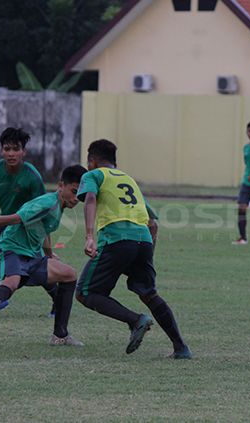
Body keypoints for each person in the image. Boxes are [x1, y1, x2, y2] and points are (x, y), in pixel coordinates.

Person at [76, 139, 192, 359]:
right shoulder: (129, 180)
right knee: (148, 293)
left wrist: (89, 236)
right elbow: (153, 222)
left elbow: (90, 198)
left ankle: (135, 320)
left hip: (117, 239)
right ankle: (181, 347)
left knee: (85, 292)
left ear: (91, 161)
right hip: (144, 240)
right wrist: (146, 254)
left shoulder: (92, 175)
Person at [0, 165, 88, 346]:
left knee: (69, 274)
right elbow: (14, 218)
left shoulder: (57, 207)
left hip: (31, 256)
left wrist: (49, 254)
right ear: (61, 186)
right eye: (74, 191)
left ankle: (60, 336)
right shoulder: (46, 203)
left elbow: (43, 230)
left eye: (80, 194)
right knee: (11, 282)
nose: (77, 198)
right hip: (9, 250)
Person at [0, 127, 56, 314]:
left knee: (37, 264)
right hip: (3, 221)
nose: (11, 153)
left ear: (23, 151)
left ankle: (57, 299)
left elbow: (43, 210)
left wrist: (47, 244)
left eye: (15, 149)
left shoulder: (32, 176)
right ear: (1, 150)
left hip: (27, 226)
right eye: (7, 149)